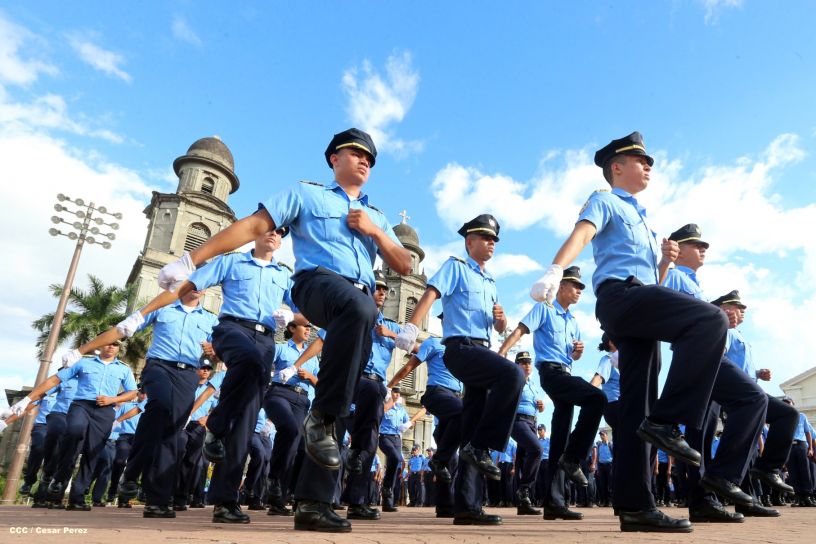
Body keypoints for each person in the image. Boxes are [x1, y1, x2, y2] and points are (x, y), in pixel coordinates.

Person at [154, 127, 411, 532]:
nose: (364, 161)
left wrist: (376, 232)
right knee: (354, 323)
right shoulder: (305, 194)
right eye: (355, 153)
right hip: (319, 284)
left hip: (356, 312)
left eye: (370, 159)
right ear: (334, 159)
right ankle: (317, 418)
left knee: (340, 399)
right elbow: (253, 226)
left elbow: (404, 265)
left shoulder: (376, 216)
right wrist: (191, 261)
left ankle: (312, 502)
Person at [528, 132, 727, 532]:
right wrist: (554, 269)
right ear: (616, 167)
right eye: (640, 159)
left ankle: (636, 506)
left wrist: (665, 263)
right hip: (621, 297)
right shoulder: (605, 200)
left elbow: (652, 279)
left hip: (642, 301)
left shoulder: (643, 216)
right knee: (711, 320)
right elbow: (583, 233)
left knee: (639, 406)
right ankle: (669, 421)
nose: (648, 164)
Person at [396, 214, 525, 526]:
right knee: (513, 375)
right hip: (460, 348)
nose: (491, 243)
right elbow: (431, 293)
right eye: (485, 238)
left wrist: (501, 321)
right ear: (470, 242)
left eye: (495, 239)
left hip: (481, 347)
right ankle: (482, 447)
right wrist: (412, 327)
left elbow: (496, 327)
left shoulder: (491, 281)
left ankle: (467, 505)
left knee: (471, 426)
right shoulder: (455, 267)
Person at [660, 226, 768, 523]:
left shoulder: (692, 281)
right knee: (753, 399)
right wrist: (715, 312)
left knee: (703, 433)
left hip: (703, 357)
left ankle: (704, 500)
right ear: (678, 249)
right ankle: (720, 479)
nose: (703, 248)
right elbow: (670, 312)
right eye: (696, 244)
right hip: (696, 357)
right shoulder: (673, 276)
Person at [499, 266, 605, 521]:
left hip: (565, 371)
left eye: (581, 287)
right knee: (596, 398)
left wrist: (578, 351)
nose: (579, 291)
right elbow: (520, 330)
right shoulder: (544, 309)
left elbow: (574, 356)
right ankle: (574, 458)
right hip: (551, 373)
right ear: (560, 286)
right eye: (575, 285)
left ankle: (554, 502)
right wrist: (500, 356)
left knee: (559, 437)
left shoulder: (574, 322)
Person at [116, 289, 218, 518]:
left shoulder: (211, 319)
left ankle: (157, 501)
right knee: (159, 407)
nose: (196, 286)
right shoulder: (162, 307)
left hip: (188, 374)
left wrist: (215, 351)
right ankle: (131, 472)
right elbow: (128, 327)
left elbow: (219, 352)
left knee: (173, 432)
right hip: (158, 367)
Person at [8, 341, 137, 509]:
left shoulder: (123, 369)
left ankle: (77, 497)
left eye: (115, 344)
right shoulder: (82, 363)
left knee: (93, 452)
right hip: (80, 406)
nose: (111, 346)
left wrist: (113, 399)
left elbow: (132, 392)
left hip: (105, 410)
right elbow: (56, 379)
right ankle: (57, 481)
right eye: (108, 343)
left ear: (119, 348)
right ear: (100, 346)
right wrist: (25, 401)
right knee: (73, 434)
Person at [712, 290, 799, 517]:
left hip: (752, 392)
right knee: (745, 447)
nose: (742, 312)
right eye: (738, 307)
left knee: (787, 415)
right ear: (725, 307)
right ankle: (746, 496)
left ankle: (765, 471)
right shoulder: (725, 330)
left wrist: (758, 373)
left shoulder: (741, 336)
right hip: (736, 395)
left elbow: (742, 368)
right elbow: (717, 358)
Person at [344, 270, 407, 521]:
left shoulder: (391, 326)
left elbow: (416, 346)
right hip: (350, 382)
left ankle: (357, 502)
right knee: (338, 442)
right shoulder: (352, 317)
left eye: (384, 289)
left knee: (368, 444)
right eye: (376, 288)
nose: (381, 292)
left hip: (375, 385)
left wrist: (390, 335)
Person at [388, 318, 462, 518]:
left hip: (454, 399)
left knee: (451, 459)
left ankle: (445, 505)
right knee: (463, 415)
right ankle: (437, 459)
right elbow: (408, 367)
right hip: (438, 393)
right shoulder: (434, 343)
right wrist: (389, 387)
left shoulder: (463, 347)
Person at [265, 315, 319, 516]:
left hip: (303, 400)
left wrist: (310, 376)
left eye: (310, 327)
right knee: (289, 428)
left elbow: (319, 383)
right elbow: (264, 369)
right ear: (291, 328)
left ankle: (285, 495)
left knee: (298, 447)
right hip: (280, 393)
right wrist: (277, 375)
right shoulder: (280, 348)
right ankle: (273, 479)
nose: (308, 329)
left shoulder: (312, 356)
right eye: (305, 326)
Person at [173, 361, 218, 510]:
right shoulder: (187, 383)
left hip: (198, 427)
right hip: (182, 424)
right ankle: (168, 494)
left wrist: (208, 419)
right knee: (177, 455)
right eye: (202, 368)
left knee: (192, 462)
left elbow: (216, 409)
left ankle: (181, 497)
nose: (205, 371)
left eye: (208, 369)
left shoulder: (212, 389)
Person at [508, 351, 545, 515]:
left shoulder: (533, 385)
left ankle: (523, 503)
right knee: (537, 450)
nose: (527, 365)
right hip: (517, 420)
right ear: (516, 365)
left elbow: (539, 407)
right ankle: (524, 490)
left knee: (523, 460)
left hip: (532, 422)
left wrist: (541, 406)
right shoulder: (514, 380)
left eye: (529, 362)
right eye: (523, 362)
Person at [109, 388, 148, 506]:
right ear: (138, 394)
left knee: (135, 467)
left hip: (141, 438)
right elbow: (115, 421)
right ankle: (113, 487)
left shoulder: (151, 407)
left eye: (147, 393)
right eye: (143, 393)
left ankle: (124, 498)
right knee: (120, 462)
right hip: (125, 437)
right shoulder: (126, 407)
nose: (145, 396)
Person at [377, 387, 412, 512]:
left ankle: (387, 503)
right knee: (396, 457)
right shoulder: (384, 407)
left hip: (397, 439)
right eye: (394, 393)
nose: (396, 395)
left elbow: (408, 422)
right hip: (385, 437)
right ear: (390, 394)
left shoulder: (401, 410)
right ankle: (386, 488)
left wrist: (407, 425)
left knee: (395, 464)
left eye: (398, 393)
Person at [595, 430, 614, 507]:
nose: (601, 436)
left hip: (609, 465)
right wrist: (597, 468)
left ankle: (610, 501)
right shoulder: (599, 445)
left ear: (606, 435)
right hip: (601, 466)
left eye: (603, 435)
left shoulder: (611, 444)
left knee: (610, 484)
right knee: (602, 484)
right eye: (600, 435)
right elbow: (597, 457)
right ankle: (603, 501)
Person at [534, 425, 551, 507]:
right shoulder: (536, 441)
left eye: (540, 430)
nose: (539, 431)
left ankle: (548, 500)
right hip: (538, 463)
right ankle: (541, 500)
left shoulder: (549, 440)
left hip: (547, 462)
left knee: (547, 482)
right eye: (538, 430)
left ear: (544, 430)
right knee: (539, 482)